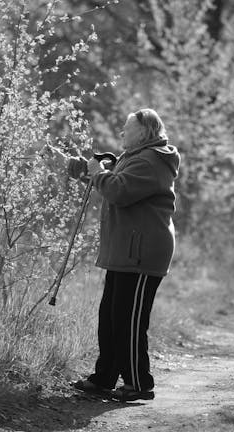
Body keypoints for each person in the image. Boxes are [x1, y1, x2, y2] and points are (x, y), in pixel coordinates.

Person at [69, 108, 180, 402]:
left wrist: (99, 174)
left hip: (142, 254)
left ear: (143, 133)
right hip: (126, 252)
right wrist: (86, 171)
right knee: (110, 317)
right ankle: (104, 378)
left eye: (126, 129)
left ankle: (138, 384)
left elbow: (119, 190)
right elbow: (116, 180)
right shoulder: (137, 158)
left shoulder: (153, 161)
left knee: (129, 322)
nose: (121, 133)